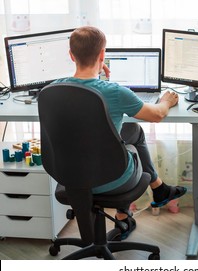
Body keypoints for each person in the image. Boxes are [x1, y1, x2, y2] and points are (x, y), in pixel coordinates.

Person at [53, 26, 187, 239]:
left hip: (71, 178)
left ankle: (146, 200)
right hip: (110, 179)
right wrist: (166, 100)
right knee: (128, 147)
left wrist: (97, 80)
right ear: (102, 55)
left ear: (71, 55)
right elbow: (157, 115)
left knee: (132, 130)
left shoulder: (53, 90)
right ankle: (139, 203)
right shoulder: (114, 92)